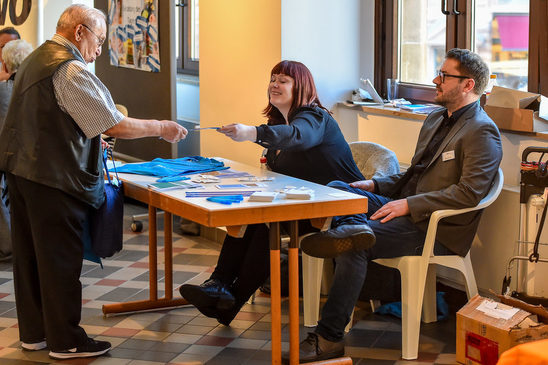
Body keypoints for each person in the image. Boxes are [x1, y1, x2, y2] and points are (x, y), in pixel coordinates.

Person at [0, 4, 187, 360]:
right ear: (79, 32)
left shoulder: (38, 56)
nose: (99, 49)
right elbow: (112, 122)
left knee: (30, 259)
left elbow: (51, 117)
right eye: (99, 40)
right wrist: (161, 128)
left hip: (22, 172)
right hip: (51, 177)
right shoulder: (68, 67)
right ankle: (67, 341)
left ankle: (36, 334)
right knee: (59, 261)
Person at [297, 48, 503, 363]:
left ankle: (329, 339)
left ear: (467, 85)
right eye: (439, 72)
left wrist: (408, 205)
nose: (436, 79)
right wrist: (376, 185)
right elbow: (414, 174)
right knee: (339, 190)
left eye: (444, 75)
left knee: (355, 245)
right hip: (405, 207)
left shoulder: (482, 131)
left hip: (435, 226)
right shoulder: (436, 118)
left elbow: (469, 193)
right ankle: (351, 225)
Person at [179, 60, 367, 326]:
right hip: (307, 203)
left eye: (283, 80)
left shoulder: (315, 118)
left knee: (268, 223)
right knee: (251, 214)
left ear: (300, 87)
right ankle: (218, 285)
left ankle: (228, 298)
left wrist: (251, 132)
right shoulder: (278, 123)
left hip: (341, 208)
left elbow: (297, 136)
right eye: (273, 79)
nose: (275, 85)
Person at [0, 39, 33, 262]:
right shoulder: (38, 88)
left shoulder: (3, 89)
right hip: (33, 157)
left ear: (5, 64)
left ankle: (7, 247)